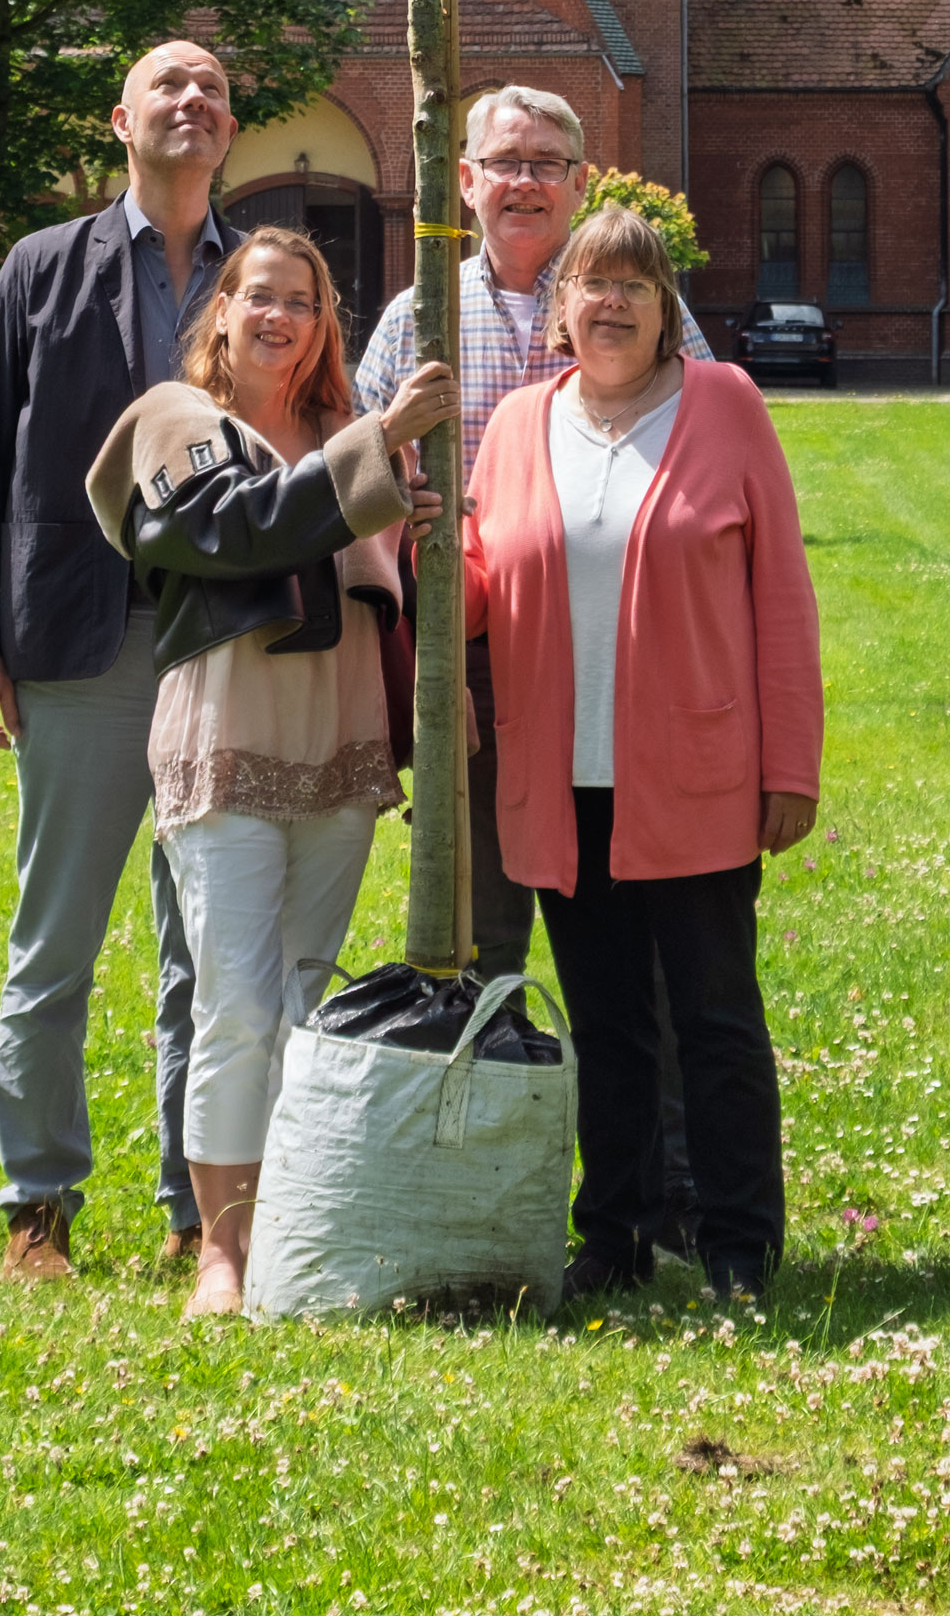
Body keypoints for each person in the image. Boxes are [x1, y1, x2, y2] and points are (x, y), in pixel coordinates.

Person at [87, 228, 457, 1318]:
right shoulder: (176, 422)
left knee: (306, 992)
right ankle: (219, 1252)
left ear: (323, 322)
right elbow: (236, 530)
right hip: (229, 731)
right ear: (221, 312)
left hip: (336, 740)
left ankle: (297, 1224)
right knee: (236, 1002)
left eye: (301, 299)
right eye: (258, 295)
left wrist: (407, 511)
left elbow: (377, 569)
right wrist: (377, 458)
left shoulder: (349, 430)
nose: (278, 315)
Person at [462, 201, 822, 1306]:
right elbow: (478, 578)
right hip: (565, 778)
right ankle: (611, 1231)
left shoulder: (722, 405)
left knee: (713, 1017)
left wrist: (789, 767)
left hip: (698, 773)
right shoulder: (520, 421)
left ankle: (736, 1243)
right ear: (559, 308)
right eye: (588, 283)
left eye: (633, 284)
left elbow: (781, 598)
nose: (607, 301)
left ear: (668, 312)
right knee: (606, 1023)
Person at [0, 40, 242, 1281]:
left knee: (206, 946)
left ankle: (194, 1206)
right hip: (75, 641)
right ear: (121, 120)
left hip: (220, 644)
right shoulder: (40, 270)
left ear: (232, 130)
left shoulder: (261, 277)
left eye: (212, 91)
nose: (191, 101)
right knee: (55, 939)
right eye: (167, 86)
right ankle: (38, 1203)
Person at [351, 85, 709, 982]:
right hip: (464, 650)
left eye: (545, 163)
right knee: (480, 929)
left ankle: (642, 1115)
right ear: (465, 180)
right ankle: (491, 1108)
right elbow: (356, 482)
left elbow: (702, 442)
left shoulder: (627, 304)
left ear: (580, 182)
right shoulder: (414, 319)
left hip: (611, 648)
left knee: (631, 925)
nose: (524, 182)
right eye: (505, 162)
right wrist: (425, 664)